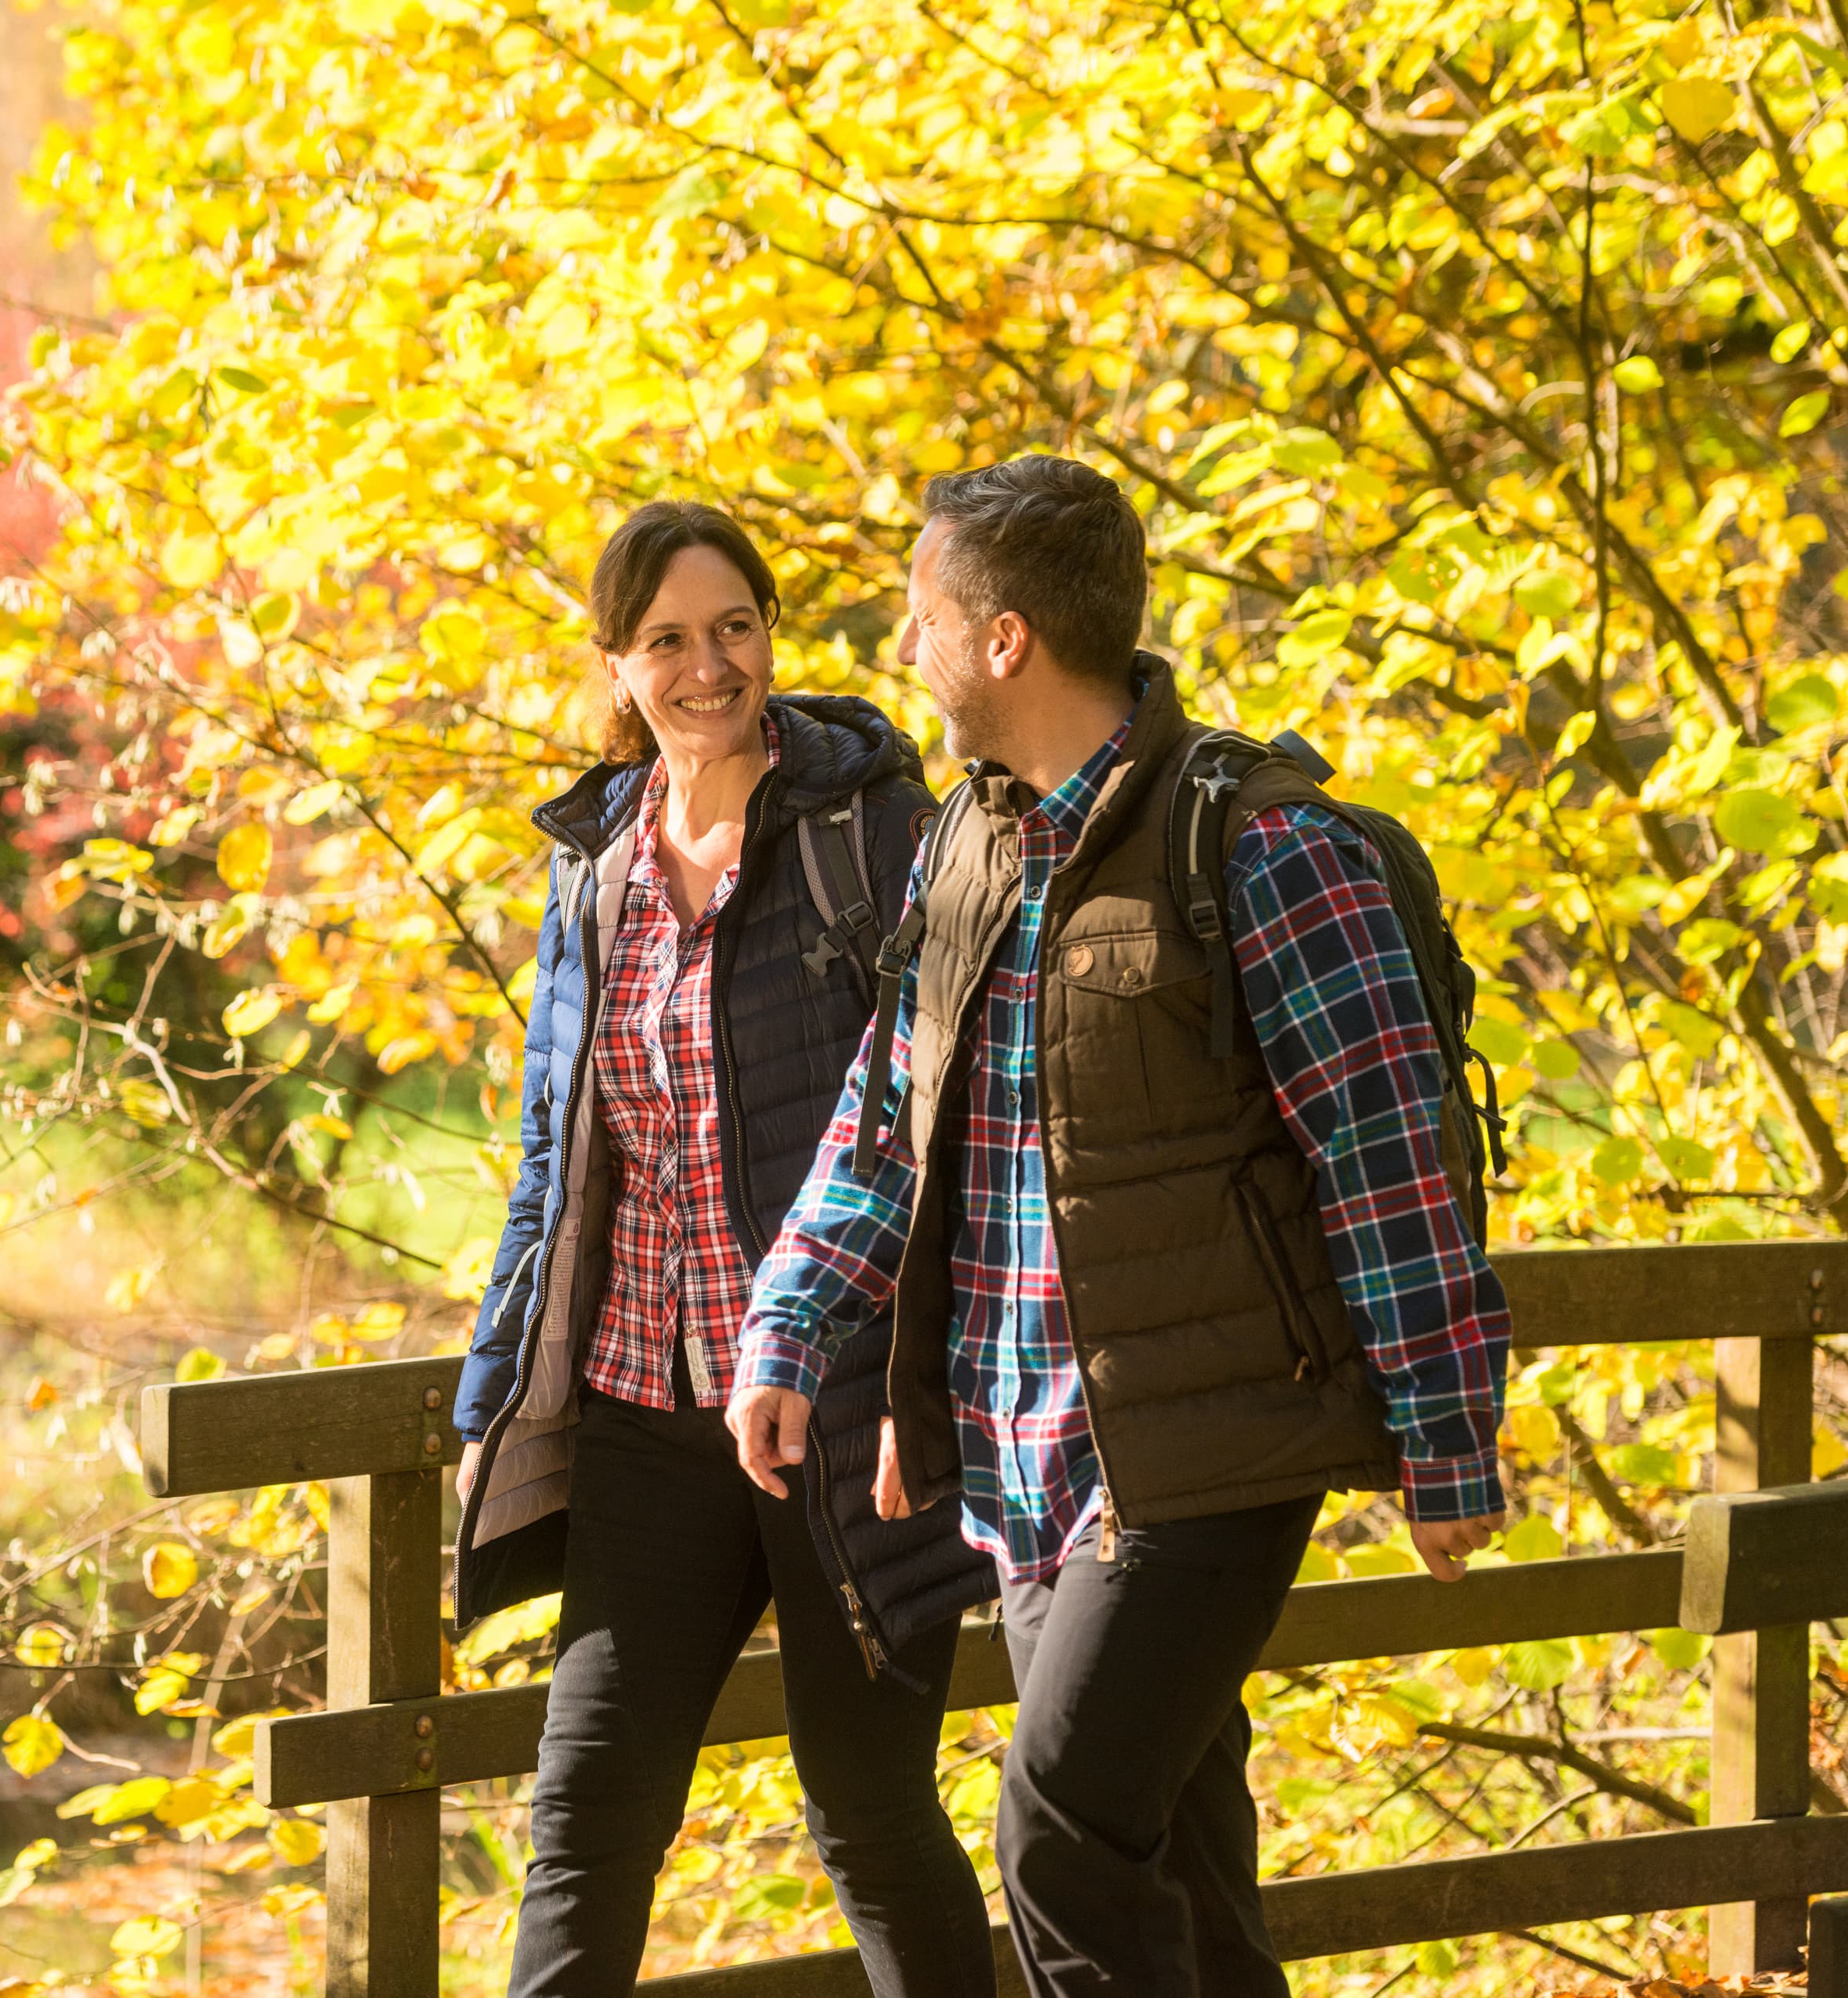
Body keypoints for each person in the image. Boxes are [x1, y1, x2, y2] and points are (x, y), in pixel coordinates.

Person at [726, 453, 1511, 1996]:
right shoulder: (964, 847)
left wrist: (1448, 1438)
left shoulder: (1267, 852)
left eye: (921, 613)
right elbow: (887, 1127)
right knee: (1187, 1872)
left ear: (1004, 637)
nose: (902, 645)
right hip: (1024, 1456)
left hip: (1211, 1449)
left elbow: (1390, 1162)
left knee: (1063, 1834)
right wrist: (790, 1323)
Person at [453, 499, 997, 1998]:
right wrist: (499, 1393)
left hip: (837, 1415)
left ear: (773, 633)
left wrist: (914, 1379)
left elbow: (949, 1116)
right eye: (670, 641)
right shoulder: (596, 872)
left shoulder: (870, 832)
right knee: (586, 1815)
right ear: (618, 665)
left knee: (870, 1816)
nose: (711, 666)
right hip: (646, 1414)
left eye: (737, 626)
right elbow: (558, 1165)